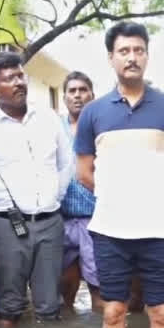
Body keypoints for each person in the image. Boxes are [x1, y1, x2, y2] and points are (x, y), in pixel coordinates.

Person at [75, 22, 164, 328]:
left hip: (161, 228)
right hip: (110, 230)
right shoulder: (93, 112)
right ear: (111, 58)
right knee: (113, 313)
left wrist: (155, 196)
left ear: (147, 56)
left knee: (161, 314)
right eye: (124, 51)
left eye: (138, 50)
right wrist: (117, 197)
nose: (132, 57)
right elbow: (84, 172)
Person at [0, 51, 72, 326]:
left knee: (50, 306)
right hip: (5, 226)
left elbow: (67, 165)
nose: (18, 82)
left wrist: (55, 197)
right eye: (9, 78)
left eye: (20, 75)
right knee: (9, 305)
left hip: (50, 222)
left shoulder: (49, 118)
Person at [57, 71, 102, 311]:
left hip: (94, 217)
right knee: (64, 285)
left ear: (92, 95)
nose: (77, 95)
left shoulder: (101, 127)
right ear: (64, 97)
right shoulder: (54, 128)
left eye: (83, 90)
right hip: (61, 218)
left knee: (99, 287)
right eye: (72, 91)